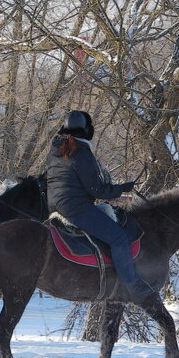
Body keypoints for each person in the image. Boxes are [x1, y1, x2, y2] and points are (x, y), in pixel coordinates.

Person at [45, 110, 155, 299]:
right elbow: (97, 191)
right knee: (119, 237)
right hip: (76, 209)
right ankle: (131, 285)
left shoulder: (55, 152)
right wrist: (122, 188)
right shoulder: (81, 154)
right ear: (88, 131)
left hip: (54, 206)